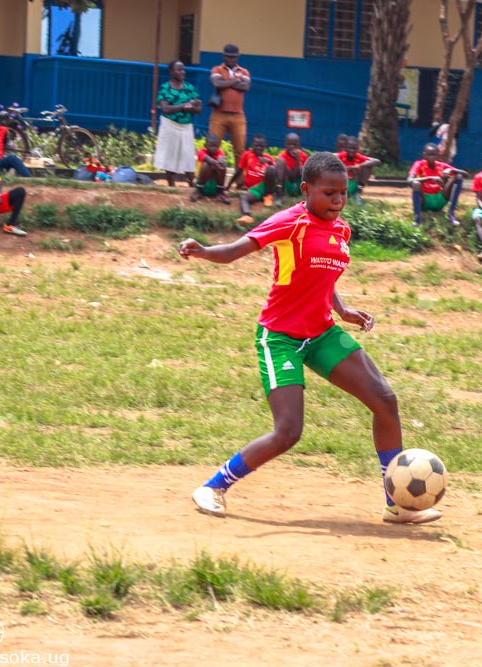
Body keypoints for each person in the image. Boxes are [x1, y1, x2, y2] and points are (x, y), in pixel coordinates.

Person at [179, 151, 442, 525]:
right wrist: (204, 251)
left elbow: (324, 278)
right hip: (281, 337)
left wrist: (343, 309)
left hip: (321, 333)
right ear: (306, 189)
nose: (337, 201)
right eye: (329, 193)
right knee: (288, 432)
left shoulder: (341, 230)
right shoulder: (290, 222)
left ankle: (397, 502)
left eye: (343, 194)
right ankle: (214, 486)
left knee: (385, 400)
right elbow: (237, 249)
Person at [154, 59, 202, 188]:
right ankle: (171, 183)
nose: (183, 72)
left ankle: (191, 182)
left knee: (188, 154)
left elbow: (198, 109)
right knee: (170, 154)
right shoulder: (165, 88)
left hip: (186, 126)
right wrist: (183, 106)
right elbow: (165, 108)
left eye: (183, 69)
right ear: (171, 72)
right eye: (179, 69)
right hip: (170, 125)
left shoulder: (190, 88)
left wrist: (191, 107)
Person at [407, 142, 466, 227]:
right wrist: (430, 178)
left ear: (438, 155)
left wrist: (451, 171)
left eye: (434, 155)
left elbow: (465, 174)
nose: (431, 157)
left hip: (440, 200)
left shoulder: (441, 166)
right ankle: (417, 219)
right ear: (424, 155)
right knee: (416, 184)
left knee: (459, 176)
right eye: (429, 155)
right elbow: (409, 180)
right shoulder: (419, 164)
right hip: (424, 201)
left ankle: (451, 213)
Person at [209, 44, 251, 159]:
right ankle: (211, 177)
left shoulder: (244, 71)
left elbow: (246, 87)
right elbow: (217, 83)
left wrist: (226, 82)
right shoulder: (217, 69)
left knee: (240, 151)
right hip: (219, 113)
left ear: (238, 57)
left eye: (233, 57)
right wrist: (237, 80)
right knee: (212, 148)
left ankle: (239, 178)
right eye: (228, 56)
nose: (231, 59)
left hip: (238, 115)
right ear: (223, 56)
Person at [233, 134, 277, 224]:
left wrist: (269, 162)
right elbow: (239, 171)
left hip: (266, 186)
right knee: (244, 197)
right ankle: (247, 216)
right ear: (252, 145)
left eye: (261, 146)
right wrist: (229, 185)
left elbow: (275, 174)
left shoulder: (268, 158)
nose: (259, 148)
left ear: (265, 146)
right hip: (254, 190)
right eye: (256, 145)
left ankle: (268, 196)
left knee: (272, 169)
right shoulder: (247, 155)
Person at [338, 136, 381, 205]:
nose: (352, 150)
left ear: (357, 148)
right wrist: (345, 168)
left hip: (355, 181)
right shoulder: (341, 156)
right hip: (342, 183)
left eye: (354, 148)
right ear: (345, 148)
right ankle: (342, 194)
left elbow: (376, 161)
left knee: (367, 166)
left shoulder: (358, 156)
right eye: (349, 148)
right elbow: (330, 162)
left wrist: (358, 166)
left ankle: (357, 191)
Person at [191, 133, 231, 204]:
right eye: (210, 146)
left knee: (222, 166)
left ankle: (220, 191)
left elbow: (221, 158)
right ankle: (198, 191)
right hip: (202, 184)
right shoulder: (201, 152)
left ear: (218, 146)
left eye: (215, 146)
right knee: (207, 165)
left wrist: (220, 161)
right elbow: (209, 159)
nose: (213, 148)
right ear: (205, 146)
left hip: (214, 185)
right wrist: (217, 163)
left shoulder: (220, 152)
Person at [274, 132, 309, 204]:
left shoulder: (303, 156)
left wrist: (297, 159)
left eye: (294, 145)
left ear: (298, 145)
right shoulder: (282, 156)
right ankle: (279, 193)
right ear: (285, 145)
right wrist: (297, 160)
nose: (292, 147)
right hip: (286, 184)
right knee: (280, 162)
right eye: (289, 144)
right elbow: (291, 177)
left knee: (303, 168)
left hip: (298, 186)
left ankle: (307, 194)